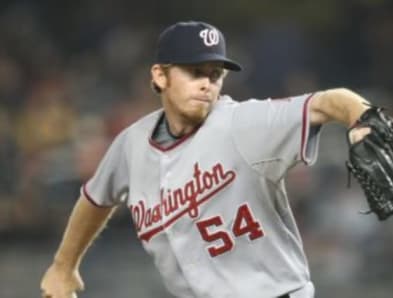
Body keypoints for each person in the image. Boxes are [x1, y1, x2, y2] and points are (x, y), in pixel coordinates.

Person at [40, 21, 372, 298]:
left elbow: (328, 102)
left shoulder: (243, 123)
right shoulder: (131, 144)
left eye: (214, 74)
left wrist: (362, 118)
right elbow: (95, 198)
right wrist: (63, 265)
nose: (206, 84)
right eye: (194, 72)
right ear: (159, 76)